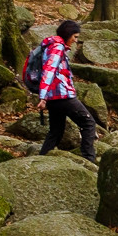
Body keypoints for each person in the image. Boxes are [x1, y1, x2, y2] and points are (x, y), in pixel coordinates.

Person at [37, 20, 98, 162]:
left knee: (56, 131)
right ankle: (89, 161)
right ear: (68, 34)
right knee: (88, 123)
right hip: (62, 95)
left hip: (54, 97)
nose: (76, 40)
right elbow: (48, 71)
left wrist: (45, 96)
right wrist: (42, 97)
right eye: (75, 37)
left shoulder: (50, 46)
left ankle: (42, 160)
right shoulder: (57, 47)